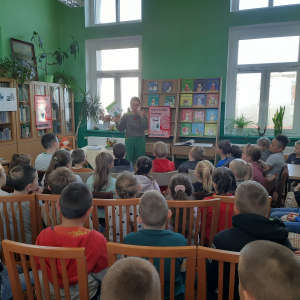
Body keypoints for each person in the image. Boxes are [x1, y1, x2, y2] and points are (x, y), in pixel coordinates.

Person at [206, 181, 292, 300]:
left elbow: (211, 278)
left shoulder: (222, 240)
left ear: (236, 210)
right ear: (267, 209)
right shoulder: (283, 241)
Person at [35, 182, 108, 300]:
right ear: (89, 210)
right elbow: (106, 277)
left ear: (58, 206)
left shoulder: (43, 236)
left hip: (49, 296)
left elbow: (39, 270)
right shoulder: (97, 239)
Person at [124, 190, 187, 300]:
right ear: (169, 214)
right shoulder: (180, 241)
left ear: (139, 219)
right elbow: (184, 275)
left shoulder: (128, 240)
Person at [5, 165, 43, 245]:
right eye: (36, 179)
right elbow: (41, 223)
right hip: (28, 249)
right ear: (29, 186)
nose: (38, 180)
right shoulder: (33, 203)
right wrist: (37, 198)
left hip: (6, 247)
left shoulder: (2, 201)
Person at [203, 167, 237, 245]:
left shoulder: (207, 201)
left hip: (210, 244)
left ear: (215, 185)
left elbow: (202, 226)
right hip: (232, 244)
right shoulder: (238, 203)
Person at [113, 97, 148, 165]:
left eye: (137, 105)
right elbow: (121, 129)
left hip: (140, 140)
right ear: (130, 105)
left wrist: (142, 117)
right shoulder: (126, 115)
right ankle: (129, 175)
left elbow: (146, 127)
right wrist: (117, 122)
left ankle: (140, 174)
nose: (135, 107)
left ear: (139, 105)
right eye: (133, 105)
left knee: (141, 161)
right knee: (129, 160)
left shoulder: (142, 115)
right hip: (129, 140)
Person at [108, 171, 142, 242]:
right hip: (139, 251)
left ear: (116, 192)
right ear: (139, 188)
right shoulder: (144, 208)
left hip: (116, 251)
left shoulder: (110, 208)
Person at [168, 173, 198, 245]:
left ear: (170, 191)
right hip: (192, 249)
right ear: (190, 191)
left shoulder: (165, 207)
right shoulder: (196, 208)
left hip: (171, 247)